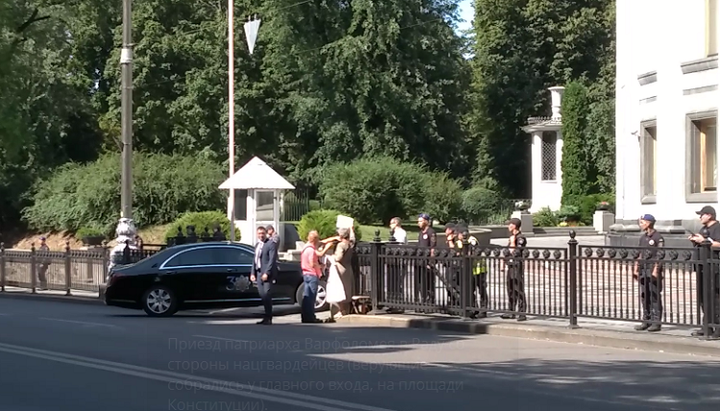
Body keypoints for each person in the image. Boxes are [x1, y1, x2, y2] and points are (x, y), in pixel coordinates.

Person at [689, 205, 720, 337]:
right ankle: (706, 325)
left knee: (715, 297)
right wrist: (695, 240)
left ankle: (717, 327)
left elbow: (718, 243)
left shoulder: (717, 227)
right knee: (703, 297)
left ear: (710, 215)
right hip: (702, 267)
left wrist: (704, 241)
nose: (700, 217)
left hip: (713, 267)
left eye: (702, 214)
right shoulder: (704, 228)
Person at [634, 214, 664, 332]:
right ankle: (646, 320)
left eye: (642, 222)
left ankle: (656, 322)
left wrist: (656, 270)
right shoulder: (643, 237)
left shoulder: (658, 237)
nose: (640, 225)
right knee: (644, 295)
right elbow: (639, 254)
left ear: (648, 223)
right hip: (643, 269)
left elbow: (660, 255)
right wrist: (636, 269)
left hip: (652, 269)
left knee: (654, 295)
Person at [300, 231, 333, 324]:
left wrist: (333, 238)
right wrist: (320, 266)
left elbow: (321, 242)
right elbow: (312, 263)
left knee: (306, 297)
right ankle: (310, 317)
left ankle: (305, 317)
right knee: (311, 298)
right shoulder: (311, 250)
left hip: (306, 274)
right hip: (311, 274)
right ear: (315, 240)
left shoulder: (306, 246)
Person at [457, 226, 488, 318]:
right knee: (471, 290)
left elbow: (474, 252)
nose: (457, 235)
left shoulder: (472, 240)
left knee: (481, 290)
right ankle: (474, 308)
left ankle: (483, 310)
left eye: (458, 233)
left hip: (479, 270)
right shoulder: (460, 242)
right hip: (471, 270)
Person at [325, 228, 355, 322]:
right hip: (348, 268)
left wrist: (331, 257)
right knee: (346, 289)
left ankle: (339, 311)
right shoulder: (350, 244)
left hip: (339, 269)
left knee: (338, 289)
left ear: (341, 236)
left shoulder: (341, 245)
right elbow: (353, 238)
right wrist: (352, 229)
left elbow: (338, 258)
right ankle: (345, 310)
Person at [250, 226, 278, 325]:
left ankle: (269, 317)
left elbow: (272, 260)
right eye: (259, 233)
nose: (261, 235)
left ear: (266, 233)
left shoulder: (270, 244)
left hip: (266, 274)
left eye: (262, 233)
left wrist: (267, 272)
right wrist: (252, 272)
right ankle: (266, 317)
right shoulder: (257, 244)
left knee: (267, 294)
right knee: (262, 295)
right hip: (258, 273)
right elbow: (254, 259)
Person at [501, 218, 527, 321]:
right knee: (510, 289)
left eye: (510, 225)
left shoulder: (521, 238)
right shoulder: (511, 237)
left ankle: (522, 313)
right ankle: (511, 311)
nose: (508, 226)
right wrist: (502, 263)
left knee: (519, 289)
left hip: (517, 266)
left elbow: (516, 252)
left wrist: (512, 242)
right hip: (510, 266)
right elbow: (507, 252)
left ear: (514, 226)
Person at [416, 214, 437, 306]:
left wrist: (431, 261)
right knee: (421, 281)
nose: (418, 223)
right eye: (418, 221)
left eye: (420, 221)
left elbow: (433, 247)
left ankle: (430, 300)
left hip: (427, 261)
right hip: (420, 261)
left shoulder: (431, 232)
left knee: (429, 281)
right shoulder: (421, 232)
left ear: (426, 221)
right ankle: (423, 298)